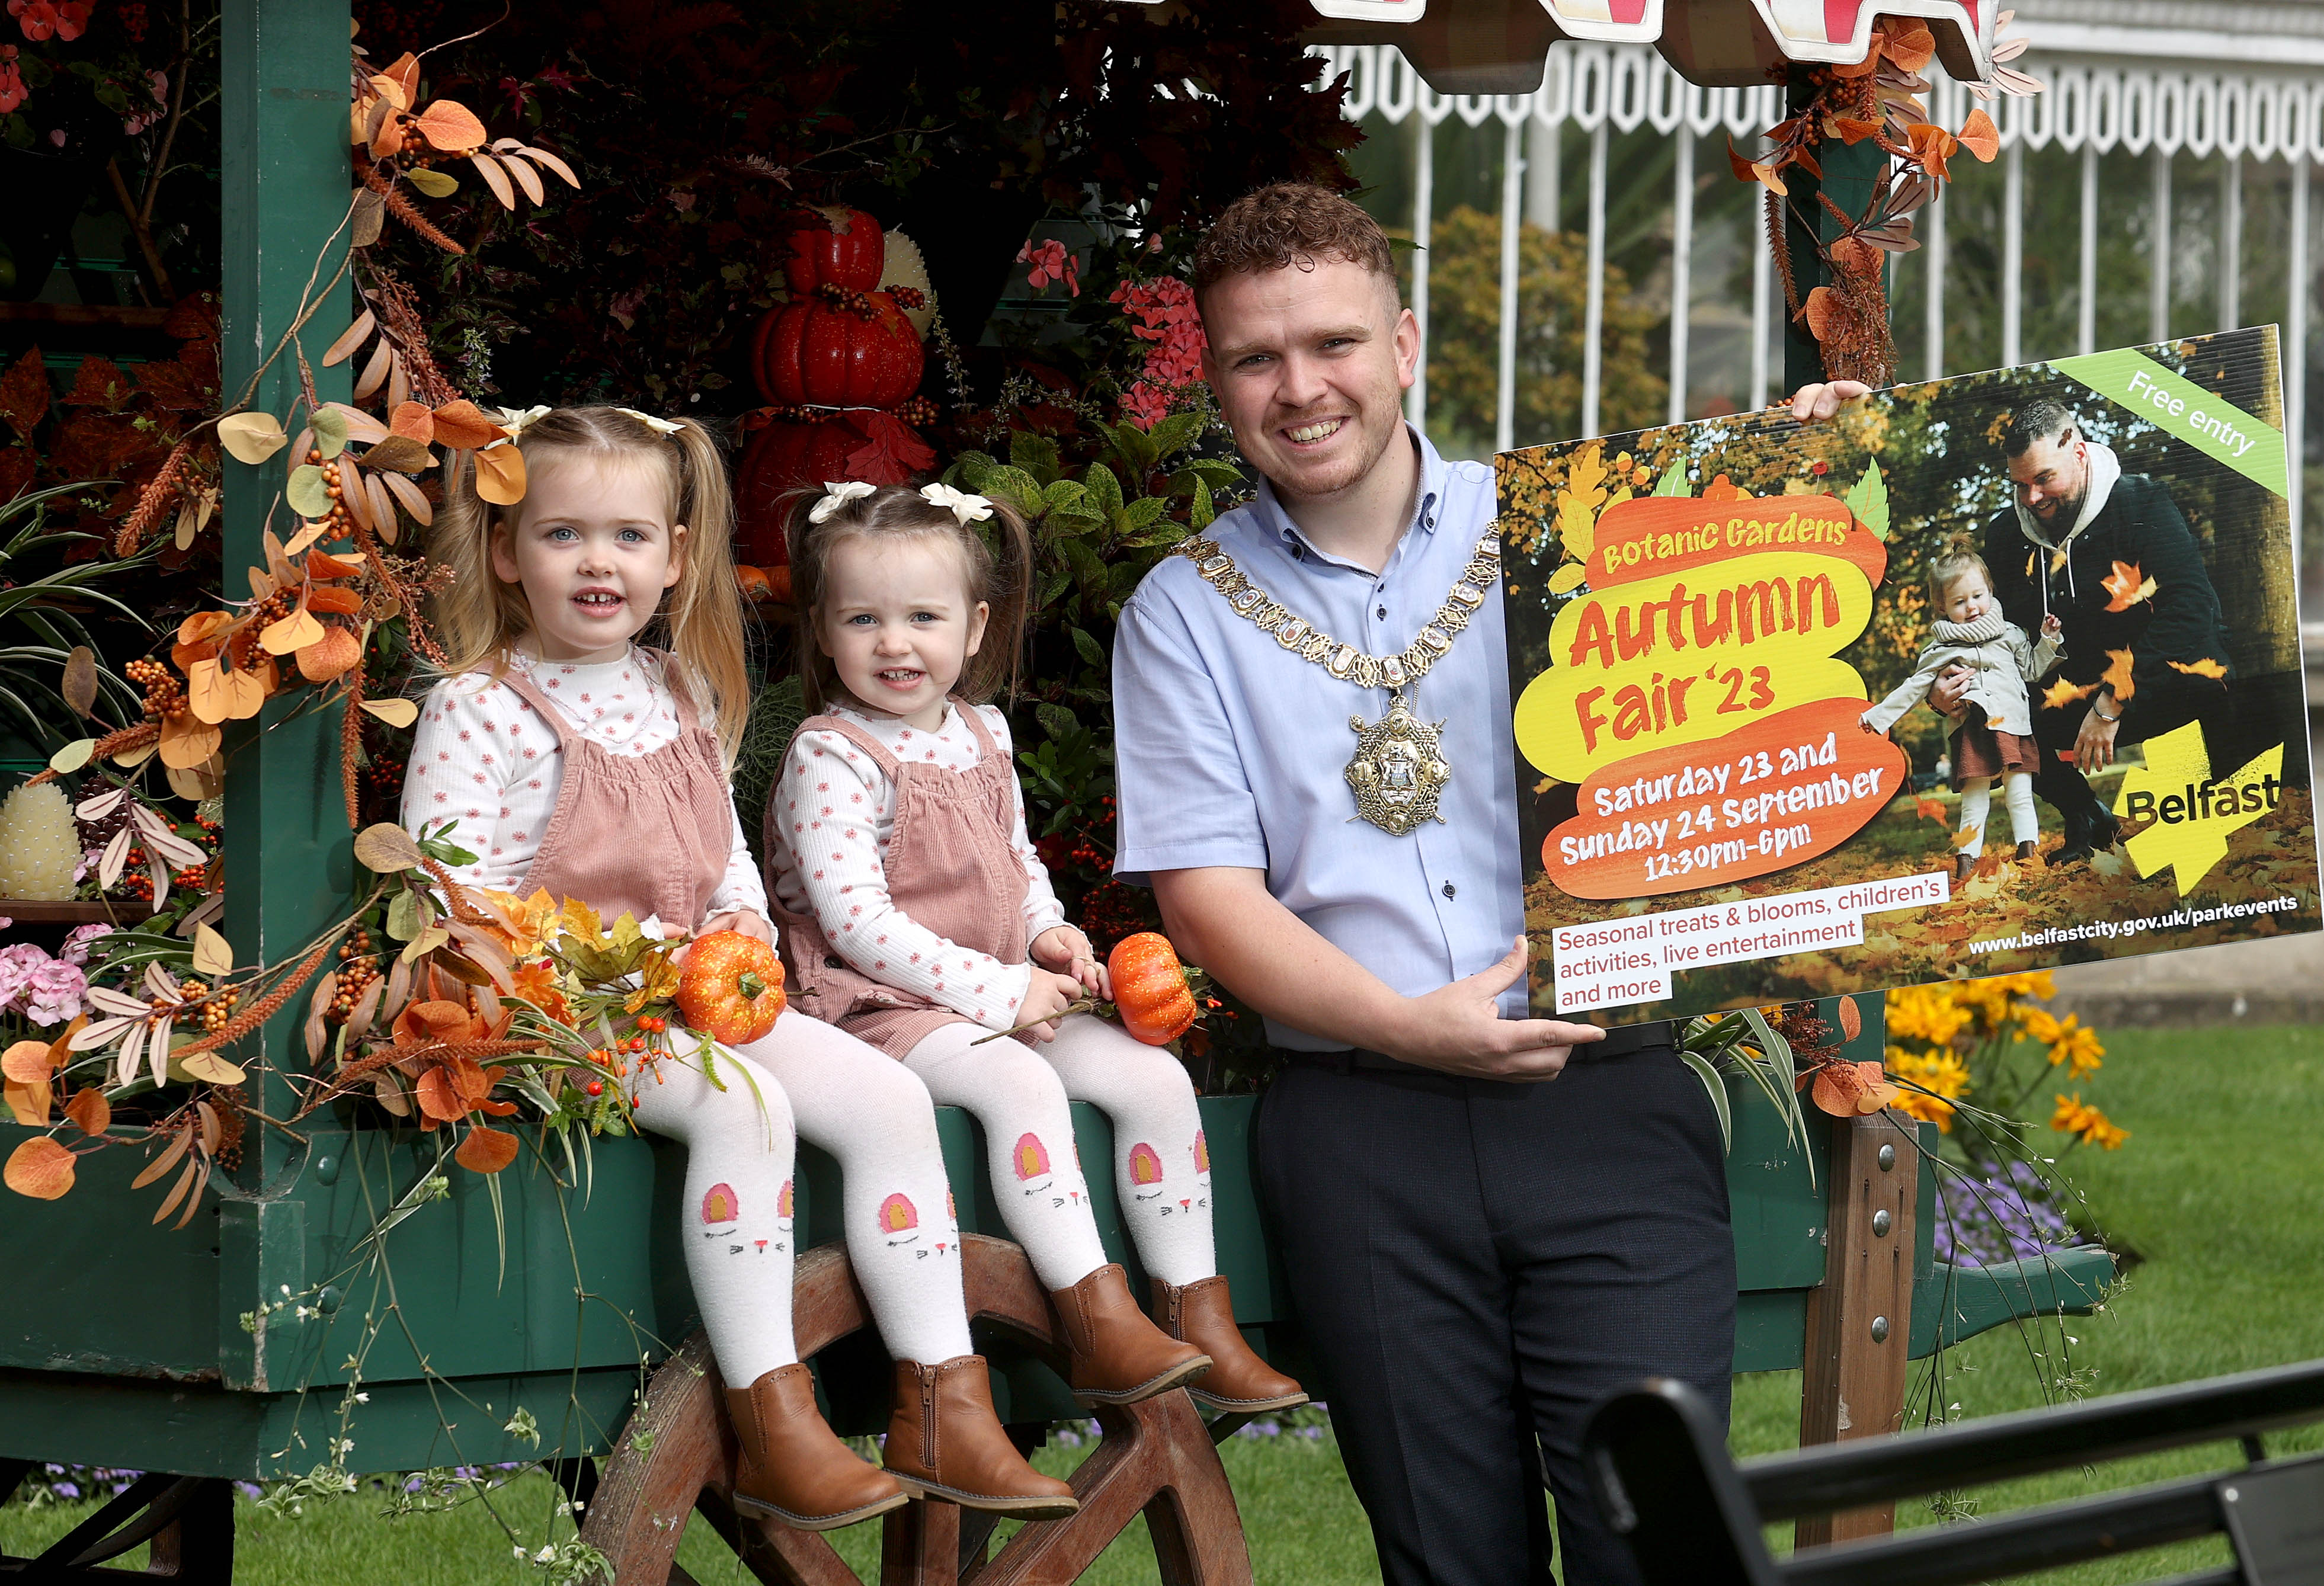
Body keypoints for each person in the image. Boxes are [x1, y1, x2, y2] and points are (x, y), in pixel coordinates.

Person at [1109, 184, 1856, 1585]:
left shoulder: (1577, 530)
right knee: (1451, 1568)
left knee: (1665, 1549)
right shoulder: (1181, 615)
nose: (1299, 387)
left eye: (1330, 343)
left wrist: (1826, 466)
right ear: (1213, 377)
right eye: (1256, 358)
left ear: (1399, 344)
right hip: (1358, 1133)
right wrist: (1407, 1029)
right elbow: (1207, 898)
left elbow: (1793, 636)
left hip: (1609, 1104)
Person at [405, 405, 1073, 1533]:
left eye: (628, 536)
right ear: (507, 553)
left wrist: (743, 934)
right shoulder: (480, 707)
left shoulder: (680, 692)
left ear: (674, 556)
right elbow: (448, 896)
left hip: (700, 991)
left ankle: (941, 1398)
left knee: (887, 1097)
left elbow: (722, 864)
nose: (598, 561)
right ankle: (772, 1414)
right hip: (568, 1015)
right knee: (745, 1108)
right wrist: (596, 973)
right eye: (563, 534)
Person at [763, 479, 1306, 1417]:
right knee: (1018, 1087)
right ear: (822, 629)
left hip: (1001, 990)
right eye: (864, 618)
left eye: (923, 617)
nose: (895, 642)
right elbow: (858, 926)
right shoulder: (832, 755)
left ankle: (1198, 1320)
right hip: (881, 1008)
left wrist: (1047, 937)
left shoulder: (985, 733)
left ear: (975, 627)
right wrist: (999, 989)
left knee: (1153, 1077)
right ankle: (1094, 1319)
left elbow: (1016, 862)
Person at [1920, 398, 2237, 862]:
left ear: (2080, 454)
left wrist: (2112, 701)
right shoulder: (2005, 536)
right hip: (2069, 688)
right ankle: (2086, 816)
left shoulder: (2142, 501)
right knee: (1987, 709)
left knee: (2211, 667)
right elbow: (1993, 636)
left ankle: (2209, 798)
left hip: (2156, 678)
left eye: (2044, 478)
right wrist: (1944, 691)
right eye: (2020, 484)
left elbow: (2192, 609)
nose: (2032, 498)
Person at [1862, 545, 2064, 880]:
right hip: (1975, 731)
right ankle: (1966, 862)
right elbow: (1914, 687)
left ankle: (2029, 853)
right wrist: (1878, 716)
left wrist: (2048, 640)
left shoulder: (2009, 633)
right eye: (1959, 602)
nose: (1971, 607)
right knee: (1975, 801)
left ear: (1989, 590)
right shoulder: (1940, 650)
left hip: (2012, 725)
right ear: (1942, 607)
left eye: (1977, 596)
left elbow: (2031, 668)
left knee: (2020, 795)